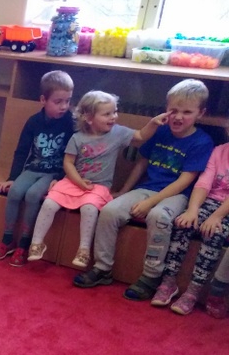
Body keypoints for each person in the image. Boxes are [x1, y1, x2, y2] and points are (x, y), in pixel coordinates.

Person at [74, 79, 214, 300]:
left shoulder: (202, 142)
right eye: (174, 110)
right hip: (146, 188)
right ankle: (103, 268)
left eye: (187, 112)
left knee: (158, 216)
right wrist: (124, 190)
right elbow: (142, 162)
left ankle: (151, 276)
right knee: (109, 210)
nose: (178, 117)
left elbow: (185, 180)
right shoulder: (161, 131)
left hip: (177, 195)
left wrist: (150, 202)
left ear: (201, 113)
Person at [27, 91, 167, 267]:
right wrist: (78, 181)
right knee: (49, 203)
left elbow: (140, 136)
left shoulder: (117, 133)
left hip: (97, 186)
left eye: (114, 112)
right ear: (88, 117)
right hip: (73, 182)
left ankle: (84, 250)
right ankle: (36, 243)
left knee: (89, 208)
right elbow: (68, 163)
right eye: (107, 114)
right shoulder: (77, 138)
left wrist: (153, 123)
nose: (113, 117)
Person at [0, 70, 74, 266]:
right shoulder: (33, 121)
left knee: (33, 195)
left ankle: (24, 243)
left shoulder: (70, 123)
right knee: (15, 191)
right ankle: (7, 240)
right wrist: (13, 177)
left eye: (68, 101)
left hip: (53, 172)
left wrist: (60, 178)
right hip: (33, 168)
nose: (64, 106)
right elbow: (22, 151)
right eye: (58, 101)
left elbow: (71, 156)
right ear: (43, 100)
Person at [149, 141, 229, 314]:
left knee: (214, 232)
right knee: (184, 224)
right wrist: (192, 210)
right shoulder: (219, 151)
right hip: (210, 201)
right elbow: (203, 183)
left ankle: (193, 291)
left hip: (226, 209)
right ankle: (169, 282)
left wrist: (216, 217)